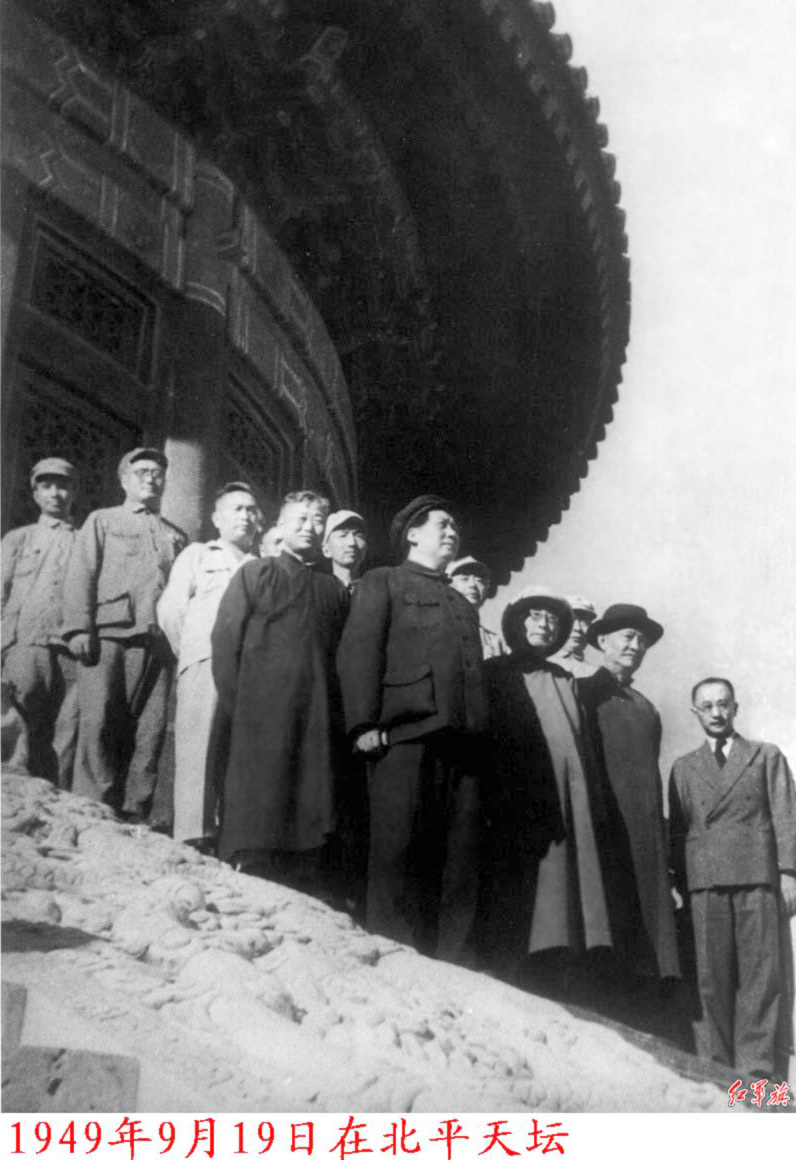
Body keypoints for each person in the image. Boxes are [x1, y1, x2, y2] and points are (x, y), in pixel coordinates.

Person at [337, 495, 489, 963]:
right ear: (412, 534)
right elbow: (359, 650)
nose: (452, 532)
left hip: (462, 741)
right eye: (442, 524)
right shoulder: (384, 580)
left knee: (458, 859)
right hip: (403, 735)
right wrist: (363, 722)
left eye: (455, 526)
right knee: (398, 850)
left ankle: (454, 962)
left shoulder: (461, 602)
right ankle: (396, 954)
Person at [211, 490, 349, 892]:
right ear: (281, 526)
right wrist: (240, 705)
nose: (309, 527)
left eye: (317, 521)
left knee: (310, 784)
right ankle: (252, 860)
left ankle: (303, 867)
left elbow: (343, 655)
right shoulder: (256, 574)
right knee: (261, 786)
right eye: (300, 520)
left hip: (316, 710)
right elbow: (225, 642)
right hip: (259, 709)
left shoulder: (333, 590)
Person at [481, 586, 612, 991]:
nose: (544, 624)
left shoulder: (564, 679)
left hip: (569, 800)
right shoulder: (495, 673)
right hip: (517, 795)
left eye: (552, 618)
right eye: (534, 615)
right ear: (517, 623)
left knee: (565, 879)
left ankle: (558, 961)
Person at [669, 678, 796, 1078]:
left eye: (723, 704)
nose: (716, 713)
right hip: (705, 880)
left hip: (757, 877)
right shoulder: (683, 767)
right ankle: (716, 1072)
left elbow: (786, 816)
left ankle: (757, 1075)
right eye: (706, 706)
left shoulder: (765, 755)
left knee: (761, 977)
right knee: (709, 979)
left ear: (736, 708)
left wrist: (789, 873)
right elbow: (678, 831)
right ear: (695, 712)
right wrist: (678, 883)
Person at [62, 448, 187, 821]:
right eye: (142, 471)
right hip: (109, 634)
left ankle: (136, 810)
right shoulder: (103, 520)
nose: (150, 478)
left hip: (157, 642)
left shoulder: (175, 535)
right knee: (98, 721)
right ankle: (92, 805)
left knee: (150, 729)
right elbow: (81, 573)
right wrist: (79, 627)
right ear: (124, 479)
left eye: (157, 473)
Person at [578, 604, 681, 1027]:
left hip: (644, 835)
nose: (635, 645)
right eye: (626, 636)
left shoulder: (645, 707)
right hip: (602, 826)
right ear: (602, 640)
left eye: (641, 640)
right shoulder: (584, 693)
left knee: (646, 927)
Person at [157, 483, 260, 847]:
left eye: (251, 510)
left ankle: (232, 837)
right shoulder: (198, 555)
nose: (245, 516)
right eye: (237, 509)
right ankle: (193, 834)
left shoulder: (262, 565)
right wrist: (192, 651)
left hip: (251, 670)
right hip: (206, 660)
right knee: (198, 746)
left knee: (241, 751)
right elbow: (171, 611)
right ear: (217, 518)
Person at [1, 457, 80, 785]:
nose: (55, 493)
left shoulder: (85, 540)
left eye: (63, 486)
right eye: (47, 486)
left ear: (74, 493)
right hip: (25, 641)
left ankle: (57, 798)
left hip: (70, 646)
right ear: (35, 494)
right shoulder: (19, 538)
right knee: (19, 720)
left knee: (66, 727)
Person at [446, 555, 506, 659]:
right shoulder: (435, 631)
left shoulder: (494, 641)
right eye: (464, 579)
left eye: (480, 581)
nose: (473, 585)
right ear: (448, 585)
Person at [551, 595, 599, 678]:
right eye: (571, 621)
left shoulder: (596, 673)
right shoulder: (541, 665)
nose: (578, 628)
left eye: (585, 622)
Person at [323, 510, 367, 593]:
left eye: (359, 536)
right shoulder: (319, 591)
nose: (352, 543)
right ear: (326, 549)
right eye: (343, 535)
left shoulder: (376, 590)